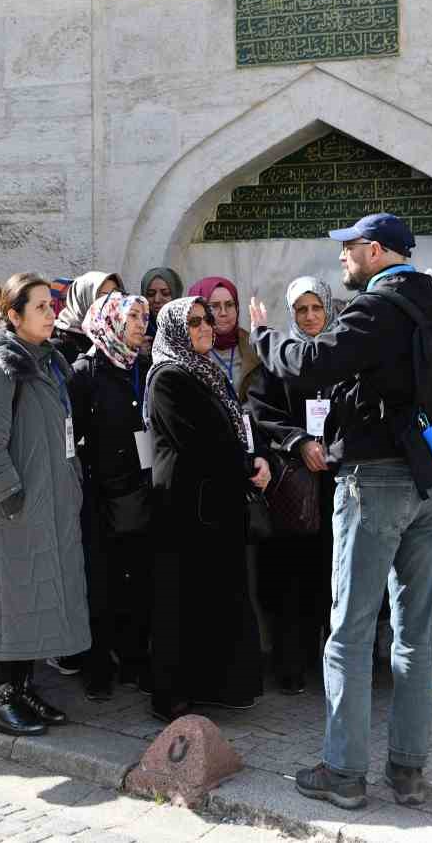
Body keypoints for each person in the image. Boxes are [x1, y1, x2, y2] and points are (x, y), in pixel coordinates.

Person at [247, 213, 432, 810]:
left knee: (350, 633)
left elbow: (311, 362)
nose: (342, 258)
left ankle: (344, 773)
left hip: (378, 484)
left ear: (379, 251)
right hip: (431, 483)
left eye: (350, 248)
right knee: (413, 632)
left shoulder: (379, 306)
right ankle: (409, 773)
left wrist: (264, 340)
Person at [0, 273, 91, 736]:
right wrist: (13, 497)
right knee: (10, 601)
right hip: (15, 512)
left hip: (52, 505)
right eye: (39, 307)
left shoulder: (51, 364)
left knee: (37, 601)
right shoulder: (0, 371)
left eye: (50, 305)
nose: (50, 313)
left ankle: (20, 690)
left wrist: (70, 485)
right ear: (13, 316)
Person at [146, 296, 271, 723]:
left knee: (215, 596)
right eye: (195, 321)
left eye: (206, 320)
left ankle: (216, 685)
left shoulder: (205, 372)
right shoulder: (168, 376)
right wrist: (243, 465)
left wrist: (252, 459)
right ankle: (173, 692)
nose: (205, 326)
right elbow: (199, 442)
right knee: (182, 599)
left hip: (214, 504)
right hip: (186, 508)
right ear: (178, 329)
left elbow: (232, 432)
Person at [245, 276, 338, 697]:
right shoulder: (280, 359)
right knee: (291, 578)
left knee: (334, 575)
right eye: (301, 310)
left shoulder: (343, 355)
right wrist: (299, 442)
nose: (310, 317)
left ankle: (333, 662)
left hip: (338, 481)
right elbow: (260, 410)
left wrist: (335, 447)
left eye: (316, 308)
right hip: (295, 491)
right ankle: (290, 664)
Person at [68, 291, 155, 701]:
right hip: (98, 494)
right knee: (99, 582)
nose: (141, 323)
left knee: (136, 578)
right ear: (111, 320)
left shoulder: (142, 366)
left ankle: (134, 660)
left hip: (137, 491)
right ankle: (96, 666)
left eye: (145, 316)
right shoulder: (85, 372)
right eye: (134, 316)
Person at [188, 275, 261, 399]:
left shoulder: (255, 346)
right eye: (214, 306)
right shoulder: (188, 352)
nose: (223, 313)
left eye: (229, 304)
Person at [49, 270, 123, 362]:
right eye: (106, 296)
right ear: (83, 298)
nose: (113, 303)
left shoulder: (114, 345)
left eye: (117, 296)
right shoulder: (56, 347)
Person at [140, 267, 183, 348]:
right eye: (151, 294)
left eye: (165, 293)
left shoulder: (189, 331)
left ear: (176, 296)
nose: (157, 300)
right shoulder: (136, 328)